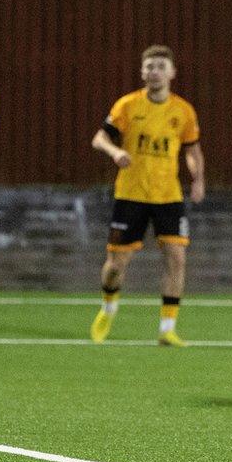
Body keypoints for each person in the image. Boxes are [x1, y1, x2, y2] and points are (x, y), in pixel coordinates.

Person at [89, 44, 205, 347]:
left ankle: (167, 328)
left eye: (160, 67)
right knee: (116, 265)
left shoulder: (183, 111)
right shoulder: (128, 106)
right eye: (149, 66)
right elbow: (99, 138)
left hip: (168, 195)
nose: (154, 72)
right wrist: (116, 152)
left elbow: (192, 149)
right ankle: (108, 306)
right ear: (142, 72)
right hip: (131, 194)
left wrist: (198, 178)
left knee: (177, 257)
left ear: (172, 73)